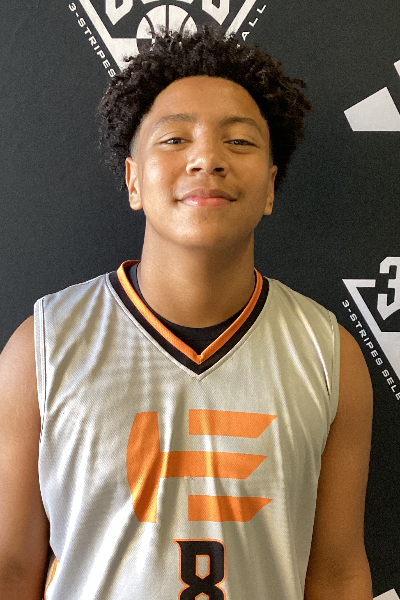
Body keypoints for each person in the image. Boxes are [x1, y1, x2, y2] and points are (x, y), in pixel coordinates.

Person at [0, 25, 374, 600]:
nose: (207, 158)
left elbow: (338, 572)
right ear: (133, 180)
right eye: (175, 139)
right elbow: (10, 567)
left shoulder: (330, 356)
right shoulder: (42, 348)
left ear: (270, 188)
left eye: (239, 141)